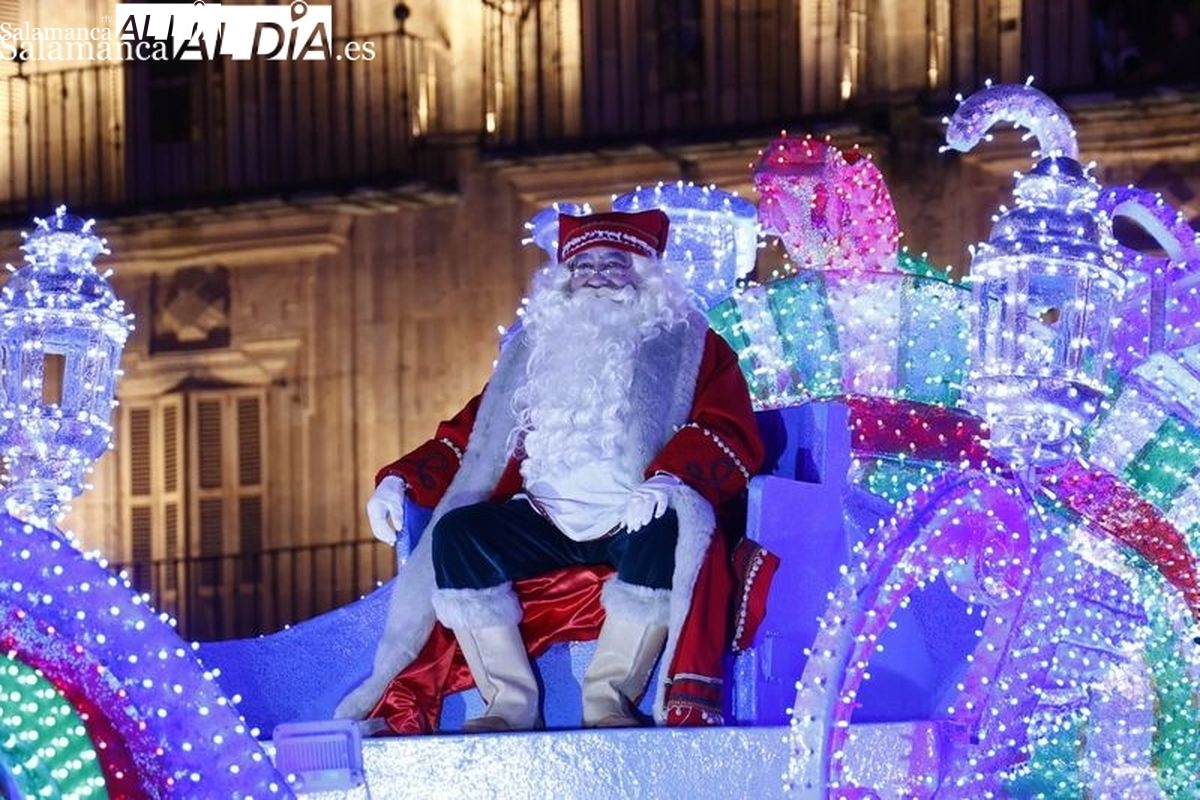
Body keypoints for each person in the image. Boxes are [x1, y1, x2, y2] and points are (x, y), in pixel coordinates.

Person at [335, 209, 773, 732]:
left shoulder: (693, 347)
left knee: (670, 528)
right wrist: (400, 479)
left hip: (633, 515)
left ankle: (608, 697)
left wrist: (671, 478)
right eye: (583, 265)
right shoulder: (532, 350)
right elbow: (473, 436)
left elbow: (730, 429)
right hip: (541, 519)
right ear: (564, 278)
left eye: (614, 264)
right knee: (459, 535)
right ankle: (509, 703)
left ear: (645, 272)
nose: (597, 276)